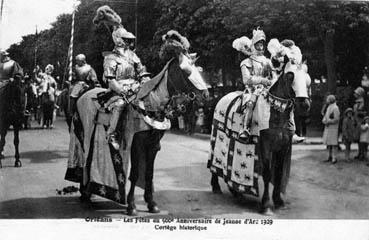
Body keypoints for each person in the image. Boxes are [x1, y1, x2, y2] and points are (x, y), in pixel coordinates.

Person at [94, 6, 148, 150]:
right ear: (118, 40)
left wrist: (145, 82)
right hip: (119, 89)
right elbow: (110, 80)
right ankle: (111, 134)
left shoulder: (133, 56)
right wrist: (122, 91)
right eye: (126, 39)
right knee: (120, 104)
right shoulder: (110, 57)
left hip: (135, 87)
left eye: (129, 40)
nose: (129, 42)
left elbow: (142, 71)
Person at [232, 28, 273, 141]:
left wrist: (271, 81)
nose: (260, 48)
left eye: (262, 45)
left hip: (268, 89)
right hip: (252, 90)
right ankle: (245, 129)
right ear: (253, 46)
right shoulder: (246, 62)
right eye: (258, 45)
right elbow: (247, 80)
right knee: (250, 103)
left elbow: (273, 75)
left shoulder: (268, 61)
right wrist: (262, 80)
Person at [322, 95, 340, 164]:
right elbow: (326, 116)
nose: (327, 100)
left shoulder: (335, 108)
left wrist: (328, 121)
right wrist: (324, 120)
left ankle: (334, 158)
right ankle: (329, 156)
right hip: (328, 127)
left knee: (333, 144)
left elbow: (336, 119)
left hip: (333, 128)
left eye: (328, 99)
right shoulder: (329, 107)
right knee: (329, 143)